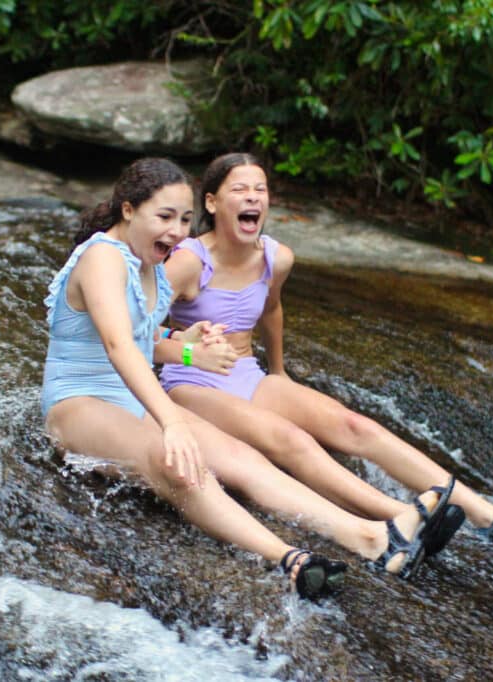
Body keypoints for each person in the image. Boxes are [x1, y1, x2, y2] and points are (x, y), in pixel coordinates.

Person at [40, 157, 455, 600]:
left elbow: (144, 340)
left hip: (131, 397)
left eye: (184, 219)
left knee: (242, 458)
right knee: (178, 463)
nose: (177, 231)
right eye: (163, 217)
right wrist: (173, 421)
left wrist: (190, 348)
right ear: (128, 210)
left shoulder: (151, 266)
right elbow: (118, 345)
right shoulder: (103, 256)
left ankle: (372, 537)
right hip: (78, 401)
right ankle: (287, 558)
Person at [159, 153, 493, 552]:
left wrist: (278, 370)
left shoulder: (275, 258)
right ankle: (405, 516)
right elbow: (133, 328)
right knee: (293, 440)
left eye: (260, 190)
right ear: (211, 203)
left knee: (356, 426)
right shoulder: (187, 261)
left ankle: (487, 516)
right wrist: (188, 350)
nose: (253, 199)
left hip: (246, 373)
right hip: (192, 383)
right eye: (240, 190)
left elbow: (272, 307)